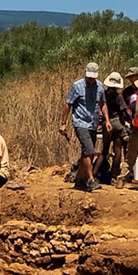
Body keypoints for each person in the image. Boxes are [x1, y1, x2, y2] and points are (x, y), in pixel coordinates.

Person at [59, 62, 102, 192]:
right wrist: (63, 123)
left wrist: (105, 119)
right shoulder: (77, 86)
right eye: (89, 77)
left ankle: (79, 180)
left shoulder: (99, 86)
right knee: (89, 150)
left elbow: (102, 103)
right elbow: (68, 104)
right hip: (80, 123)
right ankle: (90, 180)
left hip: (93, 123)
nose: (91, 79)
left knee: (86, 152)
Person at [98, 72, 127, 184]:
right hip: (118, 122)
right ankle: (114, 175)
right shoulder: (119, 96)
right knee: (118, 150)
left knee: (104, 150)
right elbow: (123, 111)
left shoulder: (103, 94)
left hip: (107, 123)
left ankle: (94, 174)